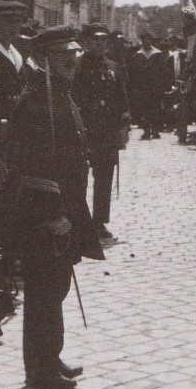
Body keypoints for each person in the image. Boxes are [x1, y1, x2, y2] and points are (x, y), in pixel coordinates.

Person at [4, 26, 105, 389]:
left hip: (66, 205)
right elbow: (31, 165)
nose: (72, 61)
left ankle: (51, 356)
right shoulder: (35, 101)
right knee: (44, 289)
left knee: (57, 284)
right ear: (44, 57)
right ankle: (40, 368)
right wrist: (52, 215)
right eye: (63, 55)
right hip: (44, 213)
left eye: (74, 55)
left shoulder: (58, 94)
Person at [72, 24, 131, 240]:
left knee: (104, 178)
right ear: (85, 42)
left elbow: (122, 98)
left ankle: (99, 222)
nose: (100, 43)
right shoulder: (76, 65)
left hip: (106, 132)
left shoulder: (113, 67)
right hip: (84, 130)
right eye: (95, 39)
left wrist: (124, 125)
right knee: (79, 177)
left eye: (104, 40)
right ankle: (79, 221)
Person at [0, 1, 29, 140]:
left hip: (15, 121)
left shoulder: (16, 52)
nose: (14, 27)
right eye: (8, 22)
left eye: (17, 22)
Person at [128, 35, 167, 140]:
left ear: (151, 41)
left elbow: (163, 72)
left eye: (148, 40)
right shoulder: (138, 55)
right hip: (142, 87)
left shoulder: (158, 54)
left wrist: (162, 86)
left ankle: (155, 130)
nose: (146, 42)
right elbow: (134, 72)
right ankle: (146, 130)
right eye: (144, 40)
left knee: (155, 109)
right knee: (143, 109)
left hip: (155, 87)